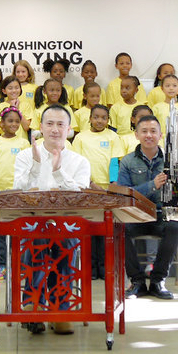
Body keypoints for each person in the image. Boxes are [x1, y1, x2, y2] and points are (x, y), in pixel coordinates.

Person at [13, 104, 91, 335]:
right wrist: (37, 166)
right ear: (40, 127)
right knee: (37, 237)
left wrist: (58, 171)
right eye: (49, 124)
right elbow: (19, 192)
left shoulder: (79, 161)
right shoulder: (26, 156)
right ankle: (33, 303)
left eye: (60, 124)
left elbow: (78, 198)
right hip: (32, 223)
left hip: (66, 226)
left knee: (65, 241)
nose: (55, 129)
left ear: (69, 129)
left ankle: (60, 307)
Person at [117, 115, 178, 300]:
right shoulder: (128, 161)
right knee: (120, 227)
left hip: (161, 214)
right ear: (136, 135)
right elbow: (125, 194)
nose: (149, 135)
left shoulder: (171, 160)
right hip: (137, 215)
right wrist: (152, 185)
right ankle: (137, 281)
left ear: (160, 135)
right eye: (144, 131)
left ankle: (157, 281)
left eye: (153, 131)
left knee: (174, 226)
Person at [71, 104, 125, 280]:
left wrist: (112, 184)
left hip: (106, 190)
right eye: (96, 117)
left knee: (105, 230)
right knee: (89, 229)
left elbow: (114, 162)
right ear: (90, 119)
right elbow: (77, 164)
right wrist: (90, 183)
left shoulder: (113, 137)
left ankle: (103, 267)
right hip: (87, 188)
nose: (99, 121)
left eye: (103, 118)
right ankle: (90, 268)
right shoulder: (80, 138)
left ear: (108, 120)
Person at [0, 107, 31, 279]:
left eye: (17, 122)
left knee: (19, 229)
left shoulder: (24, 143)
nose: (14, 124)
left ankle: (20, 265)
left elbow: (29, 168)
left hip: (18, 193)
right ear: (1, 124)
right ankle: (2, 265)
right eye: (10, 121)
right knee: (0, 231)